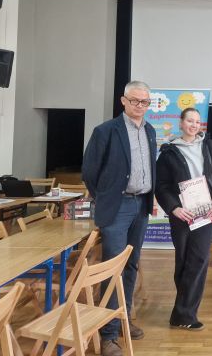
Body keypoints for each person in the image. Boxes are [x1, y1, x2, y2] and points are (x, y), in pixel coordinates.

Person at [82, 80, 156, 356]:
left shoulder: (149, 130)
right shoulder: (105, 131)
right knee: (112, 268)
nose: (140, 106)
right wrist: (105, 197)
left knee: (131, 265)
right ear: (123, 100)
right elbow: (89, 171)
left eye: (144, 102)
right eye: (135, 100)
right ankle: (108, 335)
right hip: (118, 207)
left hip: (141, 205)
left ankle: (122, 318)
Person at [155, 108, 212, 330]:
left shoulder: (210, 147)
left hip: (206, 213)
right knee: (183, 261)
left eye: (197, 122)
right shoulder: (168, 152)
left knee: (198, 260)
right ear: (181, 123)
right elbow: (162, 186)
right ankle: (181, 312)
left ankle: (186, 314)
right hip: (182, 215)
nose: (194, 125)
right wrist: (174, 208)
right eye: (190, 121)